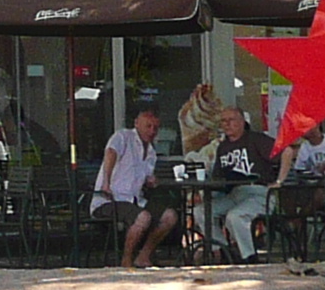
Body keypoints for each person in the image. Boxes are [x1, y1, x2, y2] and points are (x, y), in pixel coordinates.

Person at [91, 107, 179, 267]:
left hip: (135, 200)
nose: (152, 131)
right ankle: (126, 260)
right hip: (109, 199)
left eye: (155, 128)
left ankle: (143, 255)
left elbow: (145, 177)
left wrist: (151, 181)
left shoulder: (151, 152)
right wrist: (106, 182)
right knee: (143, 217)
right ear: (137, 124)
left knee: (170, 216)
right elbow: (111, 153)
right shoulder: (123, 136)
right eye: (148, 126)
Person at [199, 105, 278, 262]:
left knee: (234, 217)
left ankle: (249, 257)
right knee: (200, 212)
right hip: (234, 193)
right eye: (223, 121)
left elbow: (287, 150)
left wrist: (280, 180)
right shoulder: (223, 146)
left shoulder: (256, 139)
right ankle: (223, 252)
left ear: (242, 122)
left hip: (258, 193)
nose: (227, 124)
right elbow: (218, 177)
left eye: (231, 120)